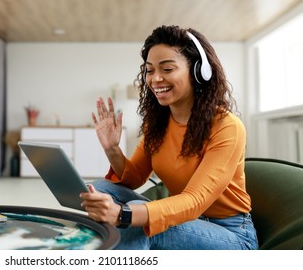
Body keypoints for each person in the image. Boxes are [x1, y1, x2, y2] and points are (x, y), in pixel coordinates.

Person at [80, 25, 258, 250]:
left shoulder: (227, 126)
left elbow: (195, 201)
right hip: (185, 221)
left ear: (198, 72)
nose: (155, 79)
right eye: (149, 70)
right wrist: (112, 148)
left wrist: (123, 214)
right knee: (101, 188)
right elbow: (134, 178)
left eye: (167, 69)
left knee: (135, 214)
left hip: (231, 234)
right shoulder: (158, 124)